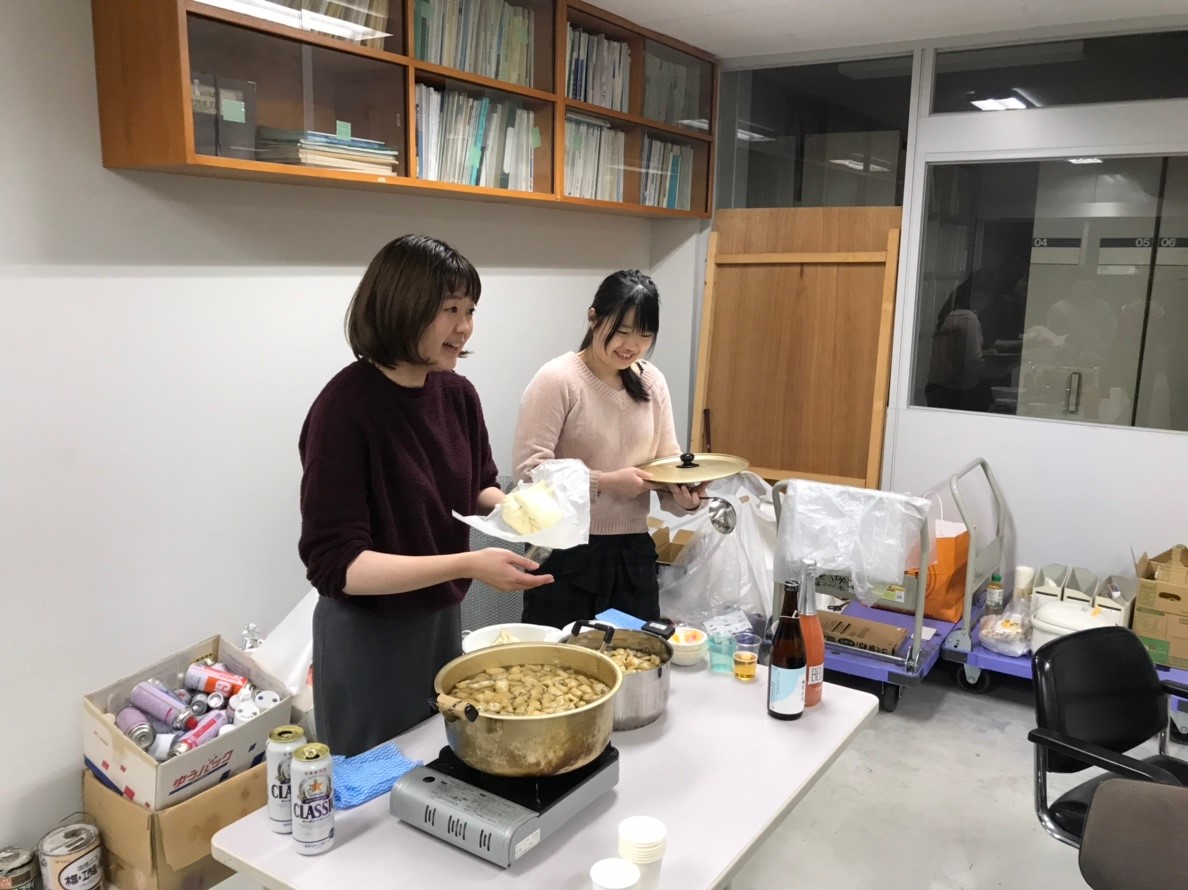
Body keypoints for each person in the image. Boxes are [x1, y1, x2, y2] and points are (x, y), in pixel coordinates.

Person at [298, 234, 553, 757]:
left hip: (439, 618)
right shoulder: (343, 410)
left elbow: (478, 485)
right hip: (367, 635)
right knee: (371, 784)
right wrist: (469, 564)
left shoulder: (457, 395)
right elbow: (338, 566)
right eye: (449, 309)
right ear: (402, 307)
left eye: (470, 310)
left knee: (434, 760)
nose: (464, 327)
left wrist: (520, 509)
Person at [512, 269, 702, 629]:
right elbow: (529, 473)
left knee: (638, 655)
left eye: (644, 335)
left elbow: (666, 466)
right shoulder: (558, 379)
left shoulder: (651, 382)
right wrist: (607, 482)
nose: (632, 345)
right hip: (564, 551)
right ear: (593, 318)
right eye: (622, 330)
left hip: (632, 553)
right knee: (561, 658)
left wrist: (686, 497)